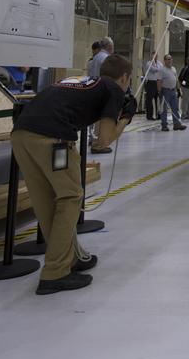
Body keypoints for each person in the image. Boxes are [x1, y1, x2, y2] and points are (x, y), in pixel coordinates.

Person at [11, 53, 136, 294]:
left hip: (21, 135)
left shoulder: (82, 81)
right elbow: (104, 140)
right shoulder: (113, 89)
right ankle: (55, 273)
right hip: (52, 139)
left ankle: (70, 257)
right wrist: (126, 117)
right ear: (124, 77)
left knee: (46, 200)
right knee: (70, 197)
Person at [159, 53, 187, 132]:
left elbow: (176, 80)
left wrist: (178, 90)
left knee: (175, 108)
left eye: (170, 59)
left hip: (173, 91)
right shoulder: (162, 70)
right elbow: (159, 81)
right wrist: (159, 91)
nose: (170, 60)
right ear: (164, 61)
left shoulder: (173, 69)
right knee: (164, 109)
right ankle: (164, 125)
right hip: (165, 91)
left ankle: (177, 124)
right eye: (168, 59)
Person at [145, 53, 163, 120]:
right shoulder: (148, 63)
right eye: (153, 55)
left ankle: (158, 114)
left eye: (156, 55)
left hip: (157, 82)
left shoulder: (160, 63)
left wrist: (156, 66)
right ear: (151, 56)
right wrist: (154, 64)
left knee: (157, 99)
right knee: (149, 100)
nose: (155, 57)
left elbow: (161, 70)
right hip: (150, 82)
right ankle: (149, 115)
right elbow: (154, 69)